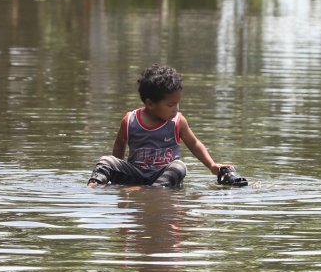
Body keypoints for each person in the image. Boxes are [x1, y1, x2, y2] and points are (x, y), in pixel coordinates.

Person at [87, 63, 234, 188]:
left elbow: (194, 144)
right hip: (136, 173)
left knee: (179, 166)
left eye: (177, 103)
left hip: (164, 175)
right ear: (150, 103)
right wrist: (117, 172)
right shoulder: (130, 120)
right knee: (106, 161)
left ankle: (153, 190)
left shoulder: (177, 121)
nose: (176, 109)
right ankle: (95, 184)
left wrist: (212, 166)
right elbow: (119, 145)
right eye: (171, 105)